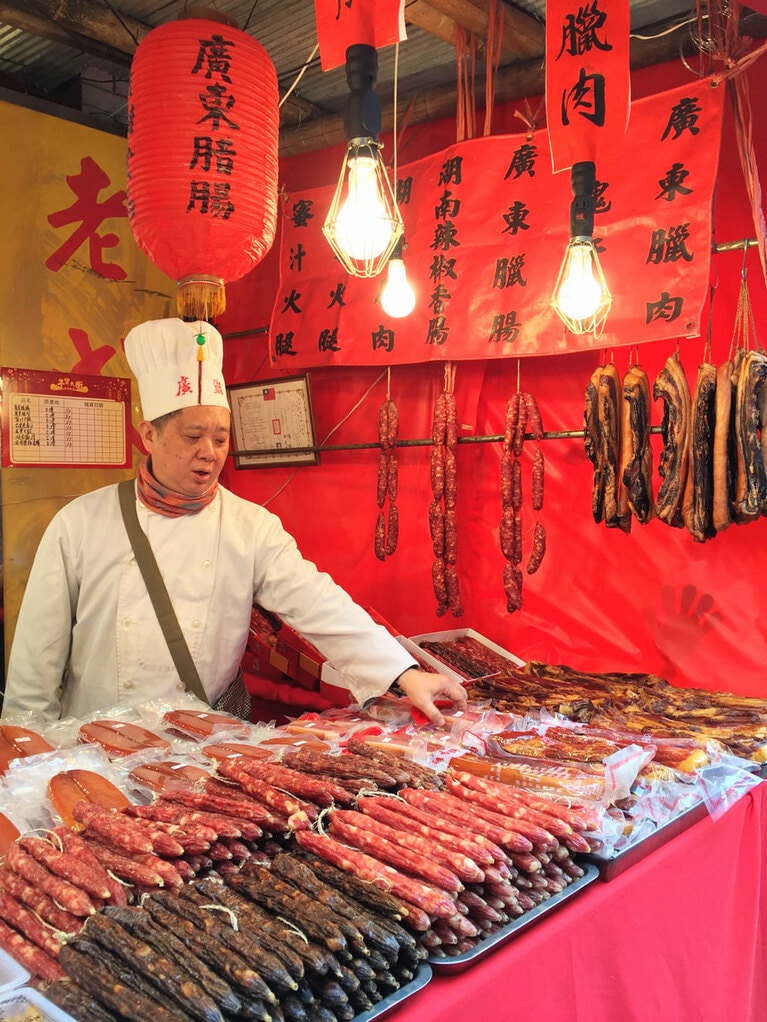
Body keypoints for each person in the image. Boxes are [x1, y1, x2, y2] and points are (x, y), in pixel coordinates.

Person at [2, 318, 467, 726]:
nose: (210, 451)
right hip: (98, 744)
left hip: (201, 747)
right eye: (193, 435)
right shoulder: (80, 523)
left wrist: (401, 672)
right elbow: (36, 654)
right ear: (149, 435)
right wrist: (28, 746)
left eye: (221, 438)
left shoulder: (250, 526)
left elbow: (318, 603)